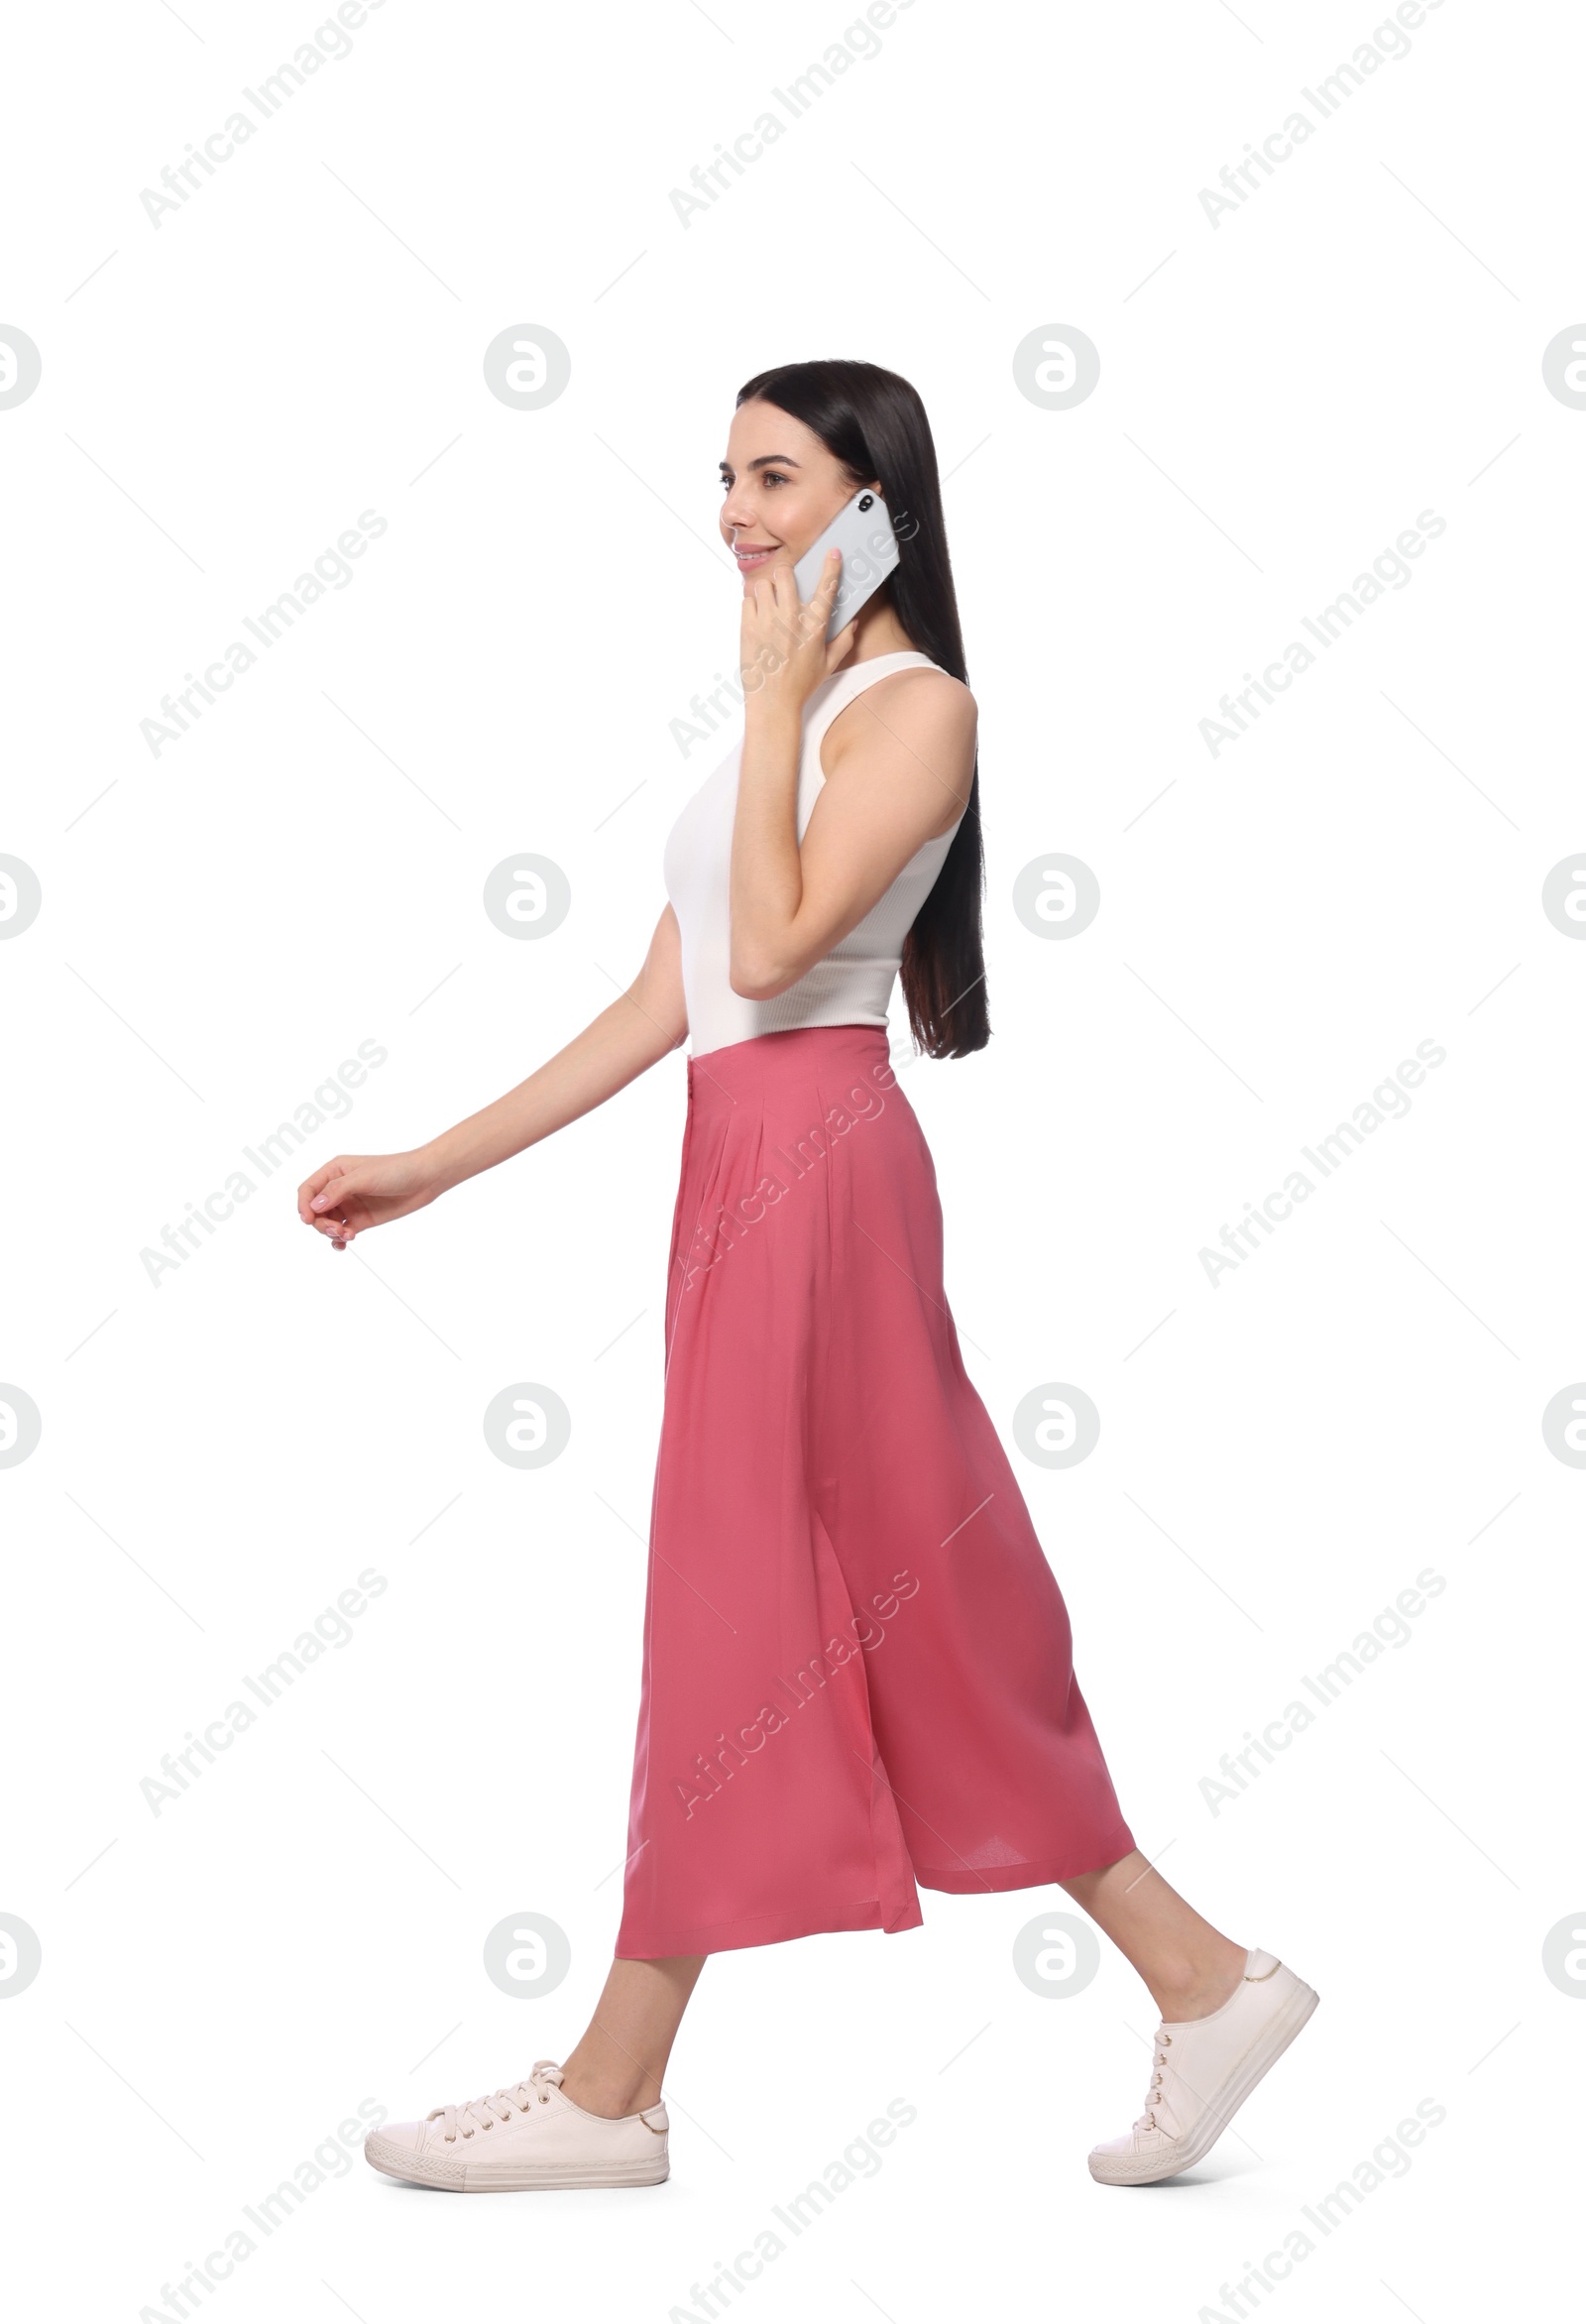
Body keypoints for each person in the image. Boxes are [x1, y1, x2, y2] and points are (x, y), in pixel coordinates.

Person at [297, 359, 1316, 2197]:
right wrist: (432, 1165)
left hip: (822, 1168)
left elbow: (779, 939)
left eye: (777, 479)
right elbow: (669, 996)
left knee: (748, 1584)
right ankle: (1198, 1973)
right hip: (744, 1162)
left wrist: (770, 708)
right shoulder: (813, 705)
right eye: (727, 477)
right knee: (901, 1590)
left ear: (876, 506)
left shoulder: (909, 711)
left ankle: (613, 2094)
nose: (737, 516)